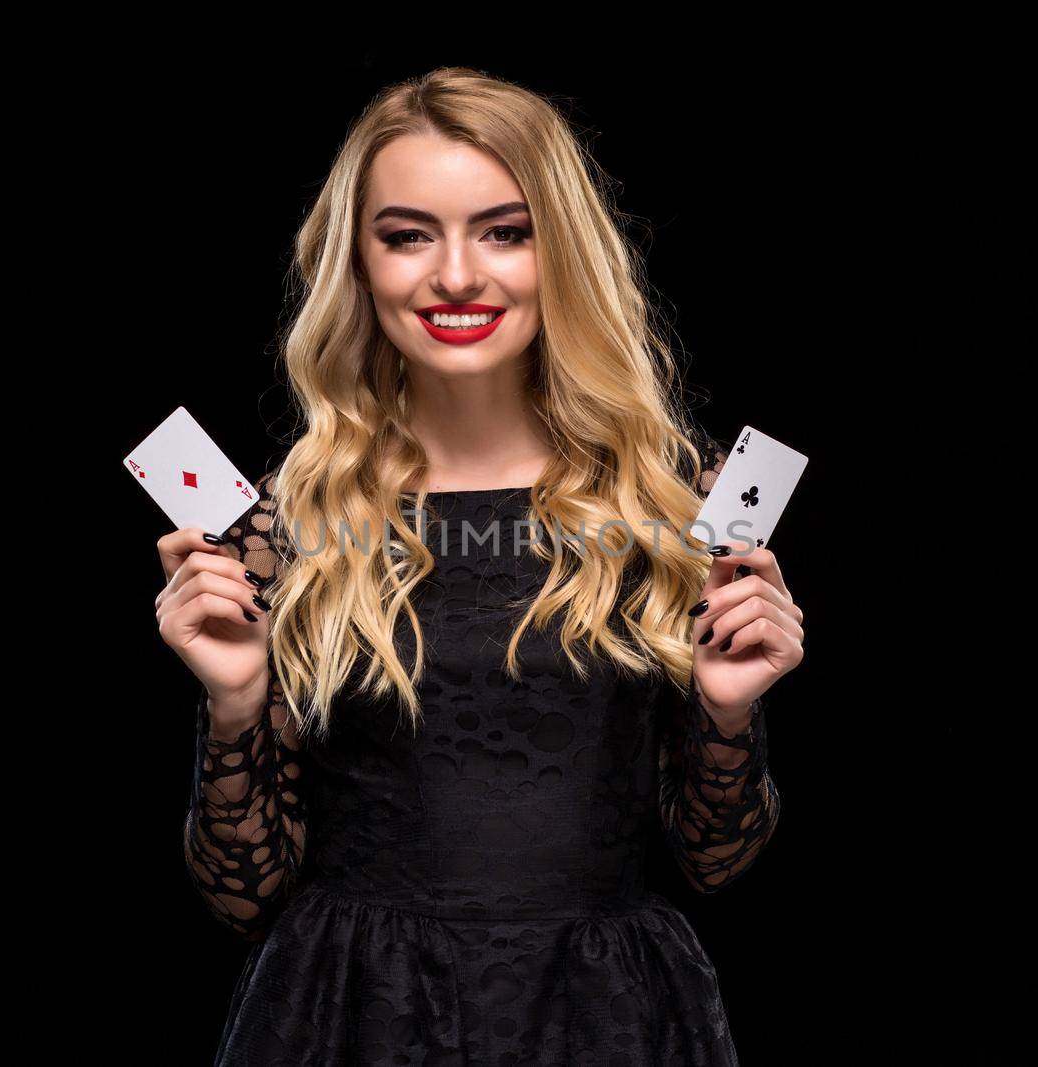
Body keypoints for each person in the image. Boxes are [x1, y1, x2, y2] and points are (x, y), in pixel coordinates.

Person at [154, 66, 807, 1066]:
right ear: (359, 262)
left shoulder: (687, 502)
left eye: (505, 231)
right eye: (407, 234)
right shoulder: (274, 521)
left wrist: (727, 713)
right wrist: (236, 702)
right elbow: (242, 893)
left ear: (563, 251)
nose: (456, 275)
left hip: (609, 1016)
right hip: (348, 1015)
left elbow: (713, 862)